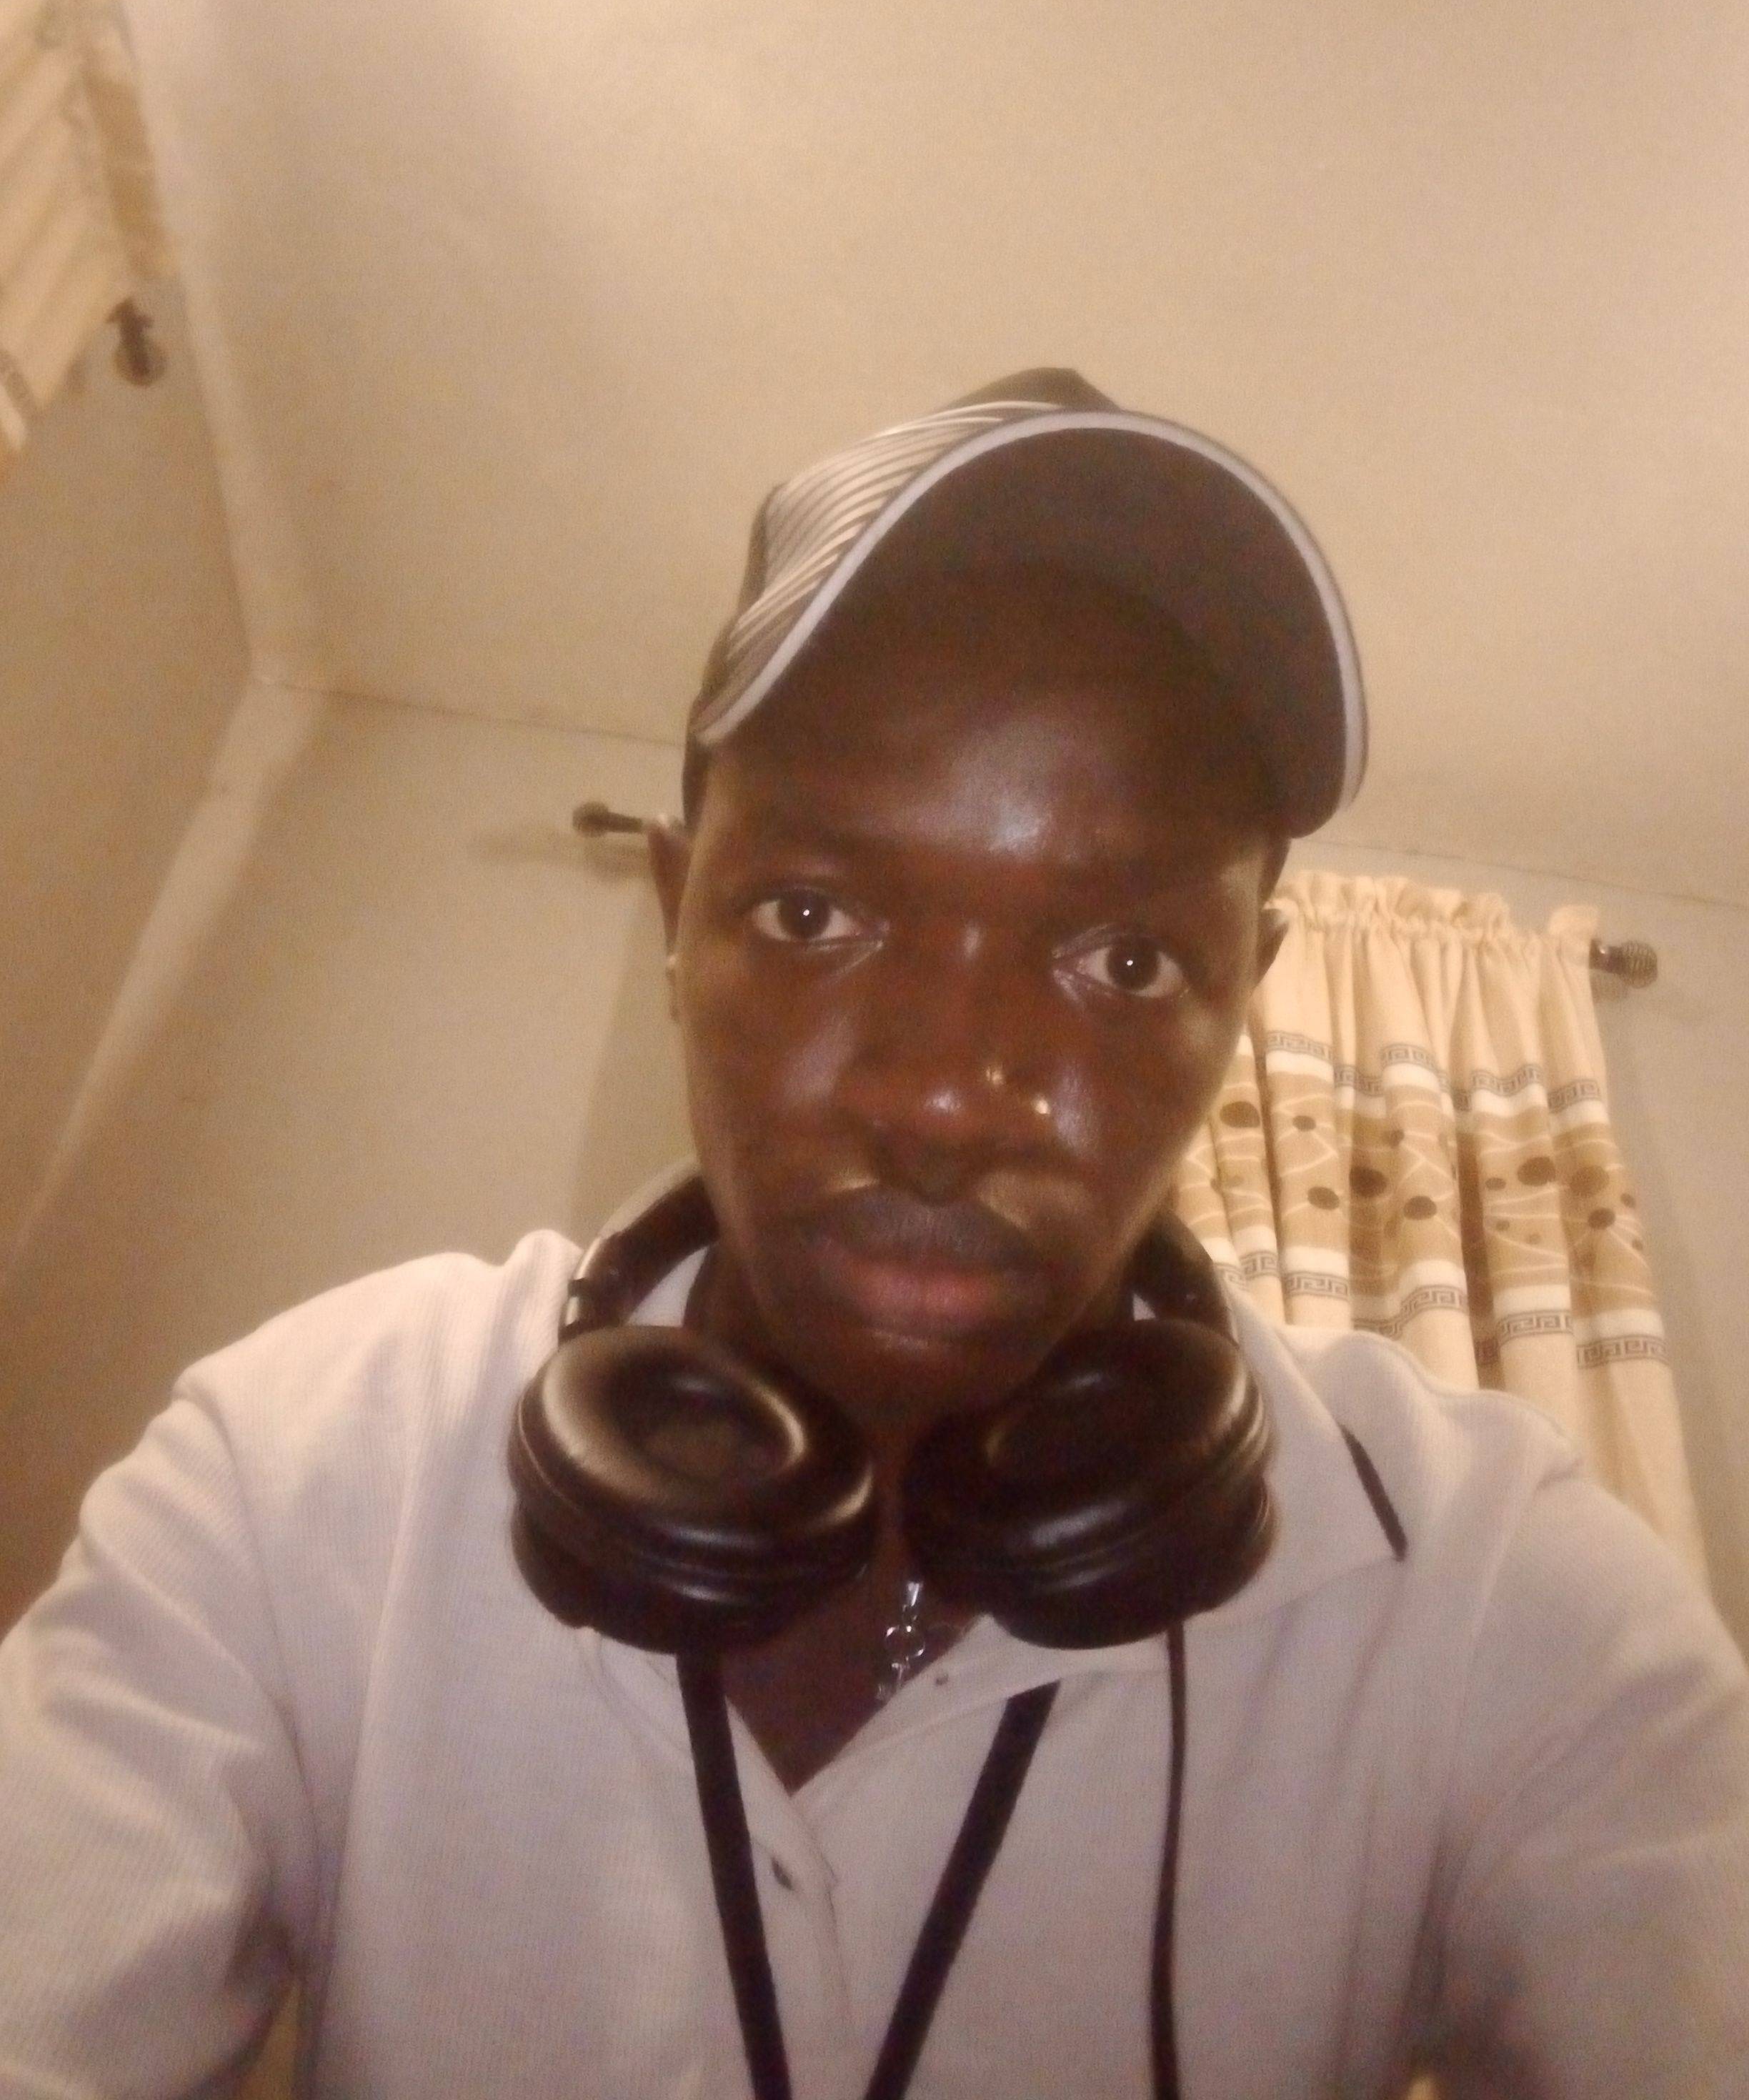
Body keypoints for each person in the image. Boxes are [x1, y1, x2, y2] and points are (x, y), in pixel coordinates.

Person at [1, 370, 1745, 2099]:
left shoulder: (1500, 1595)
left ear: (1244, 1001)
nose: (946, 1101)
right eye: (812, 913)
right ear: (677, 915)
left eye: (1126, 960)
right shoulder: (309, 1459)